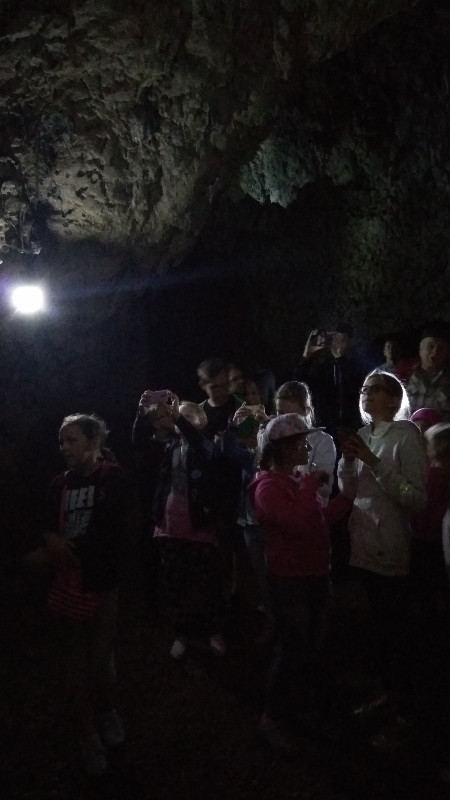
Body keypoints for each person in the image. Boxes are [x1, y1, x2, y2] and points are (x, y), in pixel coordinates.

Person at [31, 414, 131, 777]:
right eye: (61, 441)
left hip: (101, 583)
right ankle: (87, 734)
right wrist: (50, 540)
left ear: (94, 443)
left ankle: (107, 710)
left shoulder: (113, 478)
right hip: (67, 583)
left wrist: (59, 551)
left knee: (100, 658)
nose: (64, 447)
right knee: (74, 658)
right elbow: (45, 522)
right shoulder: (59, 484)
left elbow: (110, 533)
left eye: (71, 440)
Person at [248, 414, 351, 751]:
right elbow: (297, 524)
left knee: (314, 646)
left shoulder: (294, 480)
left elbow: (319, 517)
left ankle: (306, 709)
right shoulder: (267, 487)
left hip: (315, 574)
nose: (307, 448)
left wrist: (348, 498)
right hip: (291, 580)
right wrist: (309, 486)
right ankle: (271, 717)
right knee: (292, 648)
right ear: (284, 448)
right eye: (301, 443)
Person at [337, 371, 426, 750]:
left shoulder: (407, 435)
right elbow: (350, 492)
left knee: (395, 632)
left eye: (375, 390)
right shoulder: (363, 433)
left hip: (389, 544)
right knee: (375, 629)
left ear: (394, 398)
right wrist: (347, 462)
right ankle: (387, 696)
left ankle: (408, 713)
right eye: (364, 389)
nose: (366, 394)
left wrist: (373, 461)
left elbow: (415, 498)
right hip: (361, 541)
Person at [151, 395, 227, 659]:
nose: (179, 419)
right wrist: (142, 414)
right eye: (177, 416)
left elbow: (201, 447)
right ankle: (181, 633)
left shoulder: (207, 446)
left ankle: (213, 631)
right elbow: (139, 444)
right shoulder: (167, 447)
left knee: (207, 585)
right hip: (169, 527)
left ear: (201, 421)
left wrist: (179, 420)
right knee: (175, 585)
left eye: (186, 416)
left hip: (199, 528)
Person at [132, 395, 178, 612]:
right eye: (165, 414)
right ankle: (152, 603)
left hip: (175, 509)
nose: (170, 415)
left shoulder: (178, 442)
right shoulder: (148, 446)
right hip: (151, 508)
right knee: (151, 555)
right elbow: (137, 437)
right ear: (156, 423)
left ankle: (172, 599)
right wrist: (141, 413)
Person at [293, 322, 365, 443]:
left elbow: (349, 388)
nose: (337, 343)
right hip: (326, 426)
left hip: (351, 427)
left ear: (350, 341)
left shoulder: (357, 365)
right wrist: (307, 356)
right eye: (335, 338)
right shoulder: (324, 367)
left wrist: (340, 359)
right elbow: (300, 382)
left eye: (342, 339)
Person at [406, 326, 450, 415]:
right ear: (420, 350)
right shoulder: (403, 376)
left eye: (441, 348)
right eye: (430, 346)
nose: (435, 352)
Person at [197, 358, 241, 439]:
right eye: (215, 387)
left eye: (225, 385)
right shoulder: (197, 412)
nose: (221, 391)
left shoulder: (242, 406)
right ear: (202, 385)